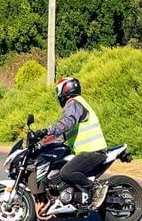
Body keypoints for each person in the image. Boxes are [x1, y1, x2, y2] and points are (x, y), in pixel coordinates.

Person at [34, 77, 109, 208]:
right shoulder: (75, 104)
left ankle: (95, 188)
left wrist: (46, 130)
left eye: (58, 90)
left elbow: (66, 123)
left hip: (93, 152)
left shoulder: (74, 103)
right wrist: (41, 143)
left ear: (64, 89)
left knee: (66, 173)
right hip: (84, 153)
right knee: (56, 172)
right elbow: (61, 136)